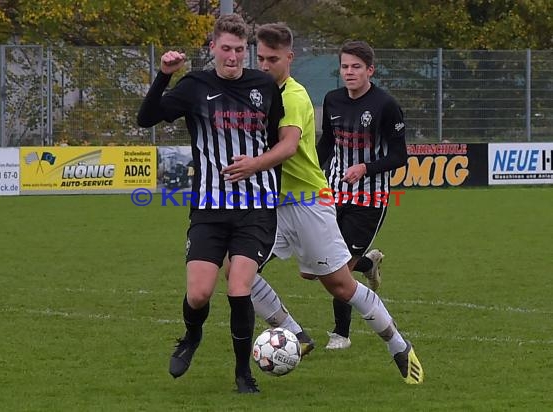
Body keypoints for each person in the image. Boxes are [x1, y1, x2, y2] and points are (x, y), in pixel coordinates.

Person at [222, 23, 424, 384]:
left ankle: (398, 345)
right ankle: (296, 336)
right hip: (275, 204)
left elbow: (285, 147)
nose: (264, 65)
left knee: (340, 286)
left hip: (309, 204)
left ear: (289, 58)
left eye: (272, 59)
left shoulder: (295, 97)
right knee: (238, 272)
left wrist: (251, 164)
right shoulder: (260, 91)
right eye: (261, 58)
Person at [136, 14, 294, 394]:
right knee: (199, 293)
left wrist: (255, 164)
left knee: (239, 286)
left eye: (240, 50)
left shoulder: (263, 86)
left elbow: (273, 138)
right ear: (213, 48)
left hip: (256, 206)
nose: (234, 57)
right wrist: (164, 75)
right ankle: (191, 337)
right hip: (208, 207)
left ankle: (243, 374)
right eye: (226, 49)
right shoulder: (195, 85)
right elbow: (146, 119)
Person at [317, 40, 409, 350]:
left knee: (337, 268)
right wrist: (313, 171)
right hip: (333, 192)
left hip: (369, 199)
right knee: (321, 264)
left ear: (370, 70)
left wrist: (365, 168)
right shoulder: (332, 100)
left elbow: (400, 156)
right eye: (344, 66)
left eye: (356, 67)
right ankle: (368, 265)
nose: (349, 72)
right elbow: (327, 144)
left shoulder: (385, 105)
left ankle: (341, 334)